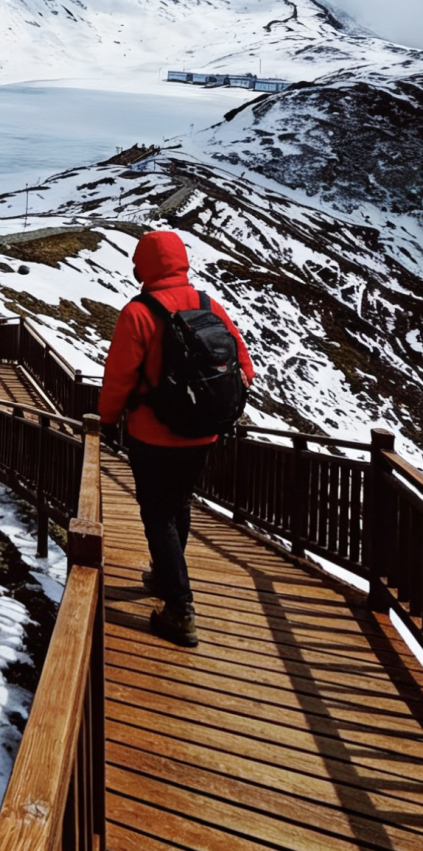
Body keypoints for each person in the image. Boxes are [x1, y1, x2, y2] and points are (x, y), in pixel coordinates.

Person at [98, 229, 254, 648]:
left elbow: (119, 378)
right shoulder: (208, 304)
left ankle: (180, 609)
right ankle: (165, 576)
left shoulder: (138, 313)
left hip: (153, 436)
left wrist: (106, 419)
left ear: (143, 267)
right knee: (179, 505)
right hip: (203, 434)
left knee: (158, 515)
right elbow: (245, 367)